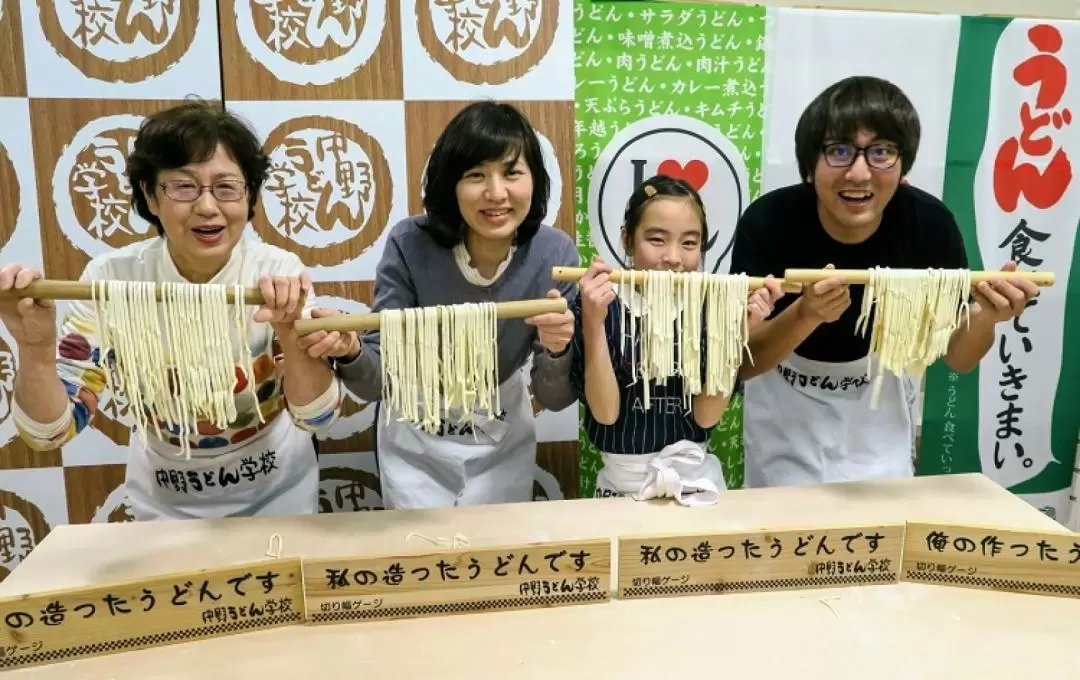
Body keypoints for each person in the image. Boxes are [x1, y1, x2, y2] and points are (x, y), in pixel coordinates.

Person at [0, 99, 356, 520]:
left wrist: (290, 337)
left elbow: (318, 418)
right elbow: (50, 433)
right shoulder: (112, 279)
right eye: (184, 187)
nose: (208, 206)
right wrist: (35, 349)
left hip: (278, 498)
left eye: (226, 187)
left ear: (249, 198)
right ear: (151, 196)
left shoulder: (276, 274)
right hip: (165, 504)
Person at [730, 75, 1039, 488]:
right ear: (809, 166)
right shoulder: (768, 222)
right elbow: (745, 363)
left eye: (881, 152)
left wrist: (986, 316)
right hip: (784, 421)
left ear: (903, 166)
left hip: (878, 422)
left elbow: (958, 357)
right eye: (838, 151)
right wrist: (806, 314)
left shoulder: (929, 226)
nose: (859, 173)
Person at [327, 101, 579, 509]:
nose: (496, 193)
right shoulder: (409, 244)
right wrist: (352, 353)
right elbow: (375, 382)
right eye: (476, 175)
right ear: (450, 184)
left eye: (512, 172)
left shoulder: (553, 254)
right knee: (422, 558)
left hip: (501, 431)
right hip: (414, 434)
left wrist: (558, 348)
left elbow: (554, 397)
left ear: (535, 179)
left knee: (499, 558)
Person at [571, 175, 783, 505]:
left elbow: (707, 417)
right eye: (656, 240)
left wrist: (736, 331)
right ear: (627, 241)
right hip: (620, 487)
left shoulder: (713, 307)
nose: (673, 257)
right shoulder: (599, 303)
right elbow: (606, 413)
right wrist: (593, 323)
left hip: (695, 481)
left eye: (689, 243)